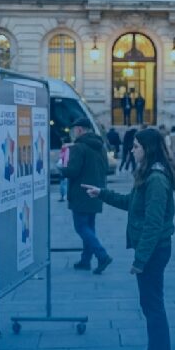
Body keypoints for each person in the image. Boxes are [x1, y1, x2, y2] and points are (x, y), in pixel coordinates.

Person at [82, 128, 175, 350]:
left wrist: (140, 260)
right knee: (150, 305)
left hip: (155, 251)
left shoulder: (156, 179)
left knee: (153, 306)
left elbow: (153, 224)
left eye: (136, 146)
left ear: (148, 149)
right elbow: (131, 204)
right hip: (151, 249)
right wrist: (101, 193)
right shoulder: (146, 175)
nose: (132, 149)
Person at [60, 117, 111, 273]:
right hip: (96, 192)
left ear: (80, 130)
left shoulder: (79, 147)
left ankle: (102, 255)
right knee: (89, 227)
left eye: (74, 131)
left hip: (80, 193)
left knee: (81, 227)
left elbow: (72, 171)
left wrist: (61, 167)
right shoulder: (100, 147)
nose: (73, 134)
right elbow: (106, 167)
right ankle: (85, 260)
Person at [58, 135, 71, 202]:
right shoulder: (65, 149)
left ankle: (64, 196)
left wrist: (64, 168)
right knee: (63, 182)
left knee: (63, 182)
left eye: (63, 141)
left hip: (64, 168)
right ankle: (63, 196)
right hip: (65, 167)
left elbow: (64, 158)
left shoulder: (66, 149)